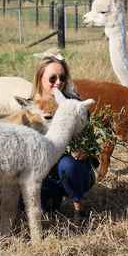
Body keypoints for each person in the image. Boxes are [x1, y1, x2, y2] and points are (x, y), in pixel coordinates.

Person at [31, 52, 98, 221]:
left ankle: (79, 209)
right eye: (52, 79)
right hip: (42, 171)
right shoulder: (30, 106)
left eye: (62, 77)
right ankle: (50, 199)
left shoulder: (75, 106)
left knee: (68, 165)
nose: (58, 82)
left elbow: (92, 144)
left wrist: (85, 151)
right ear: (40, 78)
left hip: (69, 166)